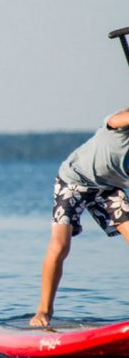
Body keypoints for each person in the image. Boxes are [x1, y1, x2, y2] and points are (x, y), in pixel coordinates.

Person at [30, 109, 129, 326]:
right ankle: (43, 312)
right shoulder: (120, 125)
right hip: (74, 180)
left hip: (109, 188)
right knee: (60, 246)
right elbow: (114, 120)